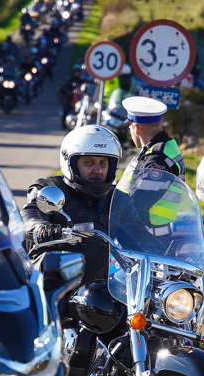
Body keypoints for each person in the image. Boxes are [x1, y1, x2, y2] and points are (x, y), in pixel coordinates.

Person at [20, 125, 121, 284]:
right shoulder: (49, 188)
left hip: (98, 291)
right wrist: (41, 228)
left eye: (103, 163)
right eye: (89, 162)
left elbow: (138, 229)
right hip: (53, 284)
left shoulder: (116, 198)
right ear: (71, 164)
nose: (98, 170)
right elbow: (30, 214)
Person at [116, 96, 186, 226]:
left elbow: (138, 203)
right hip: (145, 235)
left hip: (149, 239)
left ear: (136, 128)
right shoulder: (153, 150)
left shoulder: (158, 159)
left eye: (130, 128)